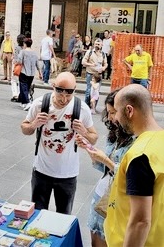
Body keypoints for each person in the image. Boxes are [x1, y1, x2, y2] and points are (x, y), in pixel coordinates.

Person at [20, 72, 98, 214]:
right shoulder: (40, 104)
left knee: (63, 216)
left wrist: (84, 133)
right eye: (60, 93)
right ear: (53, 87)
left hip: (67, 174)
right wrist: (34, 124)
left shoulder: (81, 108)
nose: (64, 98)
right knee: (37, 214)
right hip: (41, 171)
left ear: (74, 90)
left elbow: (94, 137)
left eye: (69, 94)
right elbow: (24, 129)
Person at [104, 84, 164, 246]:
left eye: (116, 111)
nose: (115, 119)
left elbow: (140, 221)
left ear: (129, 111)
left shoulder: (140, 155)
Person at [75, 90, 134, 247]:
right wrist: (91, 151)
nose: (110, 118)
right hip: (101, 195)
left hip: (117, 200)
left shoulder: (138, 140)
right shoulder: (115, 132)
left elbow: (130, 176)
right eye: (108, 113)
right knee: (95, 239)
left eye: (113, 113)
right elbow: (105, 168)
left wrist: (106, 160)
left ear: (128, 111)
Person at [17, 38, 41, 111]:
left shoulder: (23, 52)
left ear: (25, 44)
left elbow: (19, 61)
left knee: (23, 86)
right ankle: (23, 101)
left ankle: (27, 102)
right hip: (32, 73)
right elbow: (37, 63)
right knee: (27, 87)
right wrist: (40, 73)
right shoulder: (34, 53)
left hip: (24, 71)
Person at [82, 38, 107, 106]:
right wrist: (91, 64)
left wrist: (103, 68)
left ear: (101, 45)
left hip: (98, 75)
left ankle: (93, 107)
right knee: (89, 91)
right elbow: (83, 62)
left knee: (96, 92)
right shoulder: (89, 52)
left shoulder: (103, 54)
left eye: (98, 44)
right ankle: (86, 106)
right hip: (90, 74)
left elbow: (105, 64)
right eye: (96, 44)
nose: (97, 45)